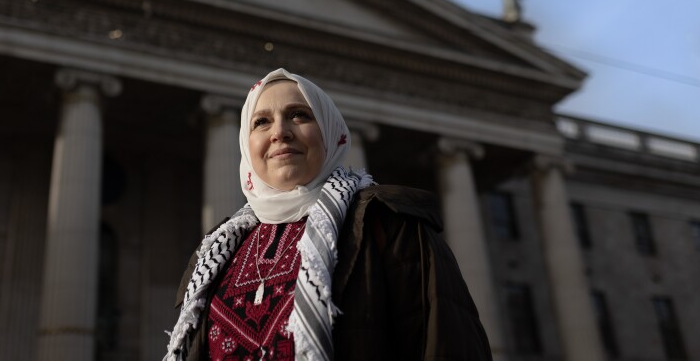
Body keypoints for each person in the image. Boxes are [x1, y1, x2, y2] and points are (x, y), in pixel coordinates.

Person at [164, 68, 492, 360]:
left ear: (330, 131)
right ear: (246, 143)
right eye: (261, 121)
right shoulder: (216, 253)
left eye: (299, 115)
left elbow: (449, 343)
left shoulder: (389, 223)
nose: (280, 131)